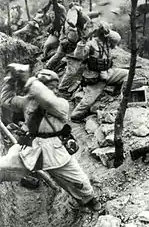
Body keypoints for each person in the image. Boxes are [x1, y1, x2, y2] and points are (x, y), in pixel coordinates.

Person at [0, 65, 101, 211]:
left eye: (52, 87)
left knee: (80, 183)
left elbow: (47, 101)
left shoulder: (61, 104)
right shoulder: (28, 101)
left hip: (56, 151)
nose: (52, 90)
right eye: (47, 86)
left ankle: (88, 201)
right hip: (30, 150)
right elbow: (6, 100)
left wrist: (29, 80)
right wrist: (10, 81)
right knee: (2, 167)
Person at [71, 21, 128, 122]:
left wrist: (108, 31)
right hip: (95, 77)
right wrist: (83, 41)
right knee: (88, 102)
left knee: (125, 74)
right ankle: (76, 114)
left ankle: (117, 92)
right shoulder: (91, 44)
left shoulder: (109, 42)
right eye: (101, 31)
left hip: (108, 73)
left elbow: (117, 38)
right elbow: (78, 55)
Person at [46, 2, 91, 71]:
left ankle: (49, 66)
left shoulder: (70, 18)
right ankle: (49, 66)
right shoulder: (72, 21)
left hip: (65, 40)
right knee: (61, 55)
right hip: (67, 41)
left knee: (58, 55)